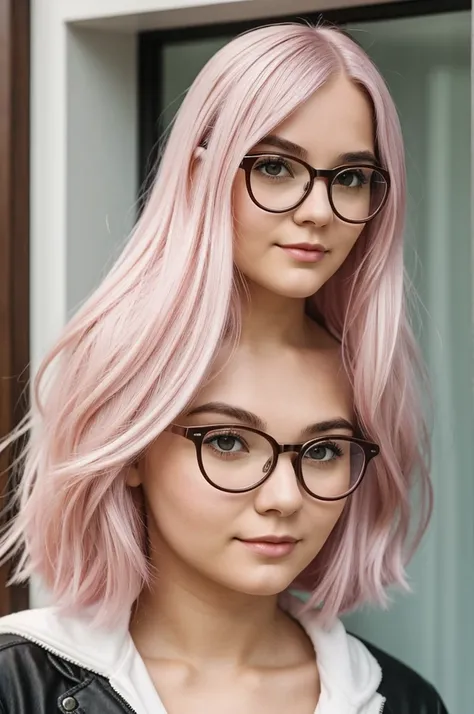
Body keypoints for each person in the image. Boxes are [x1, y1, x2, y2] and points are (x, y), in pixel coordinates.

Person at [0, 22, 446, 714]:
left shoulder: (404, 702)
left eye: (352, 178)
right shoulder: (19, 686)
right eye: (229, 442)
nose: (318, 211)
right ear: (132, 447)